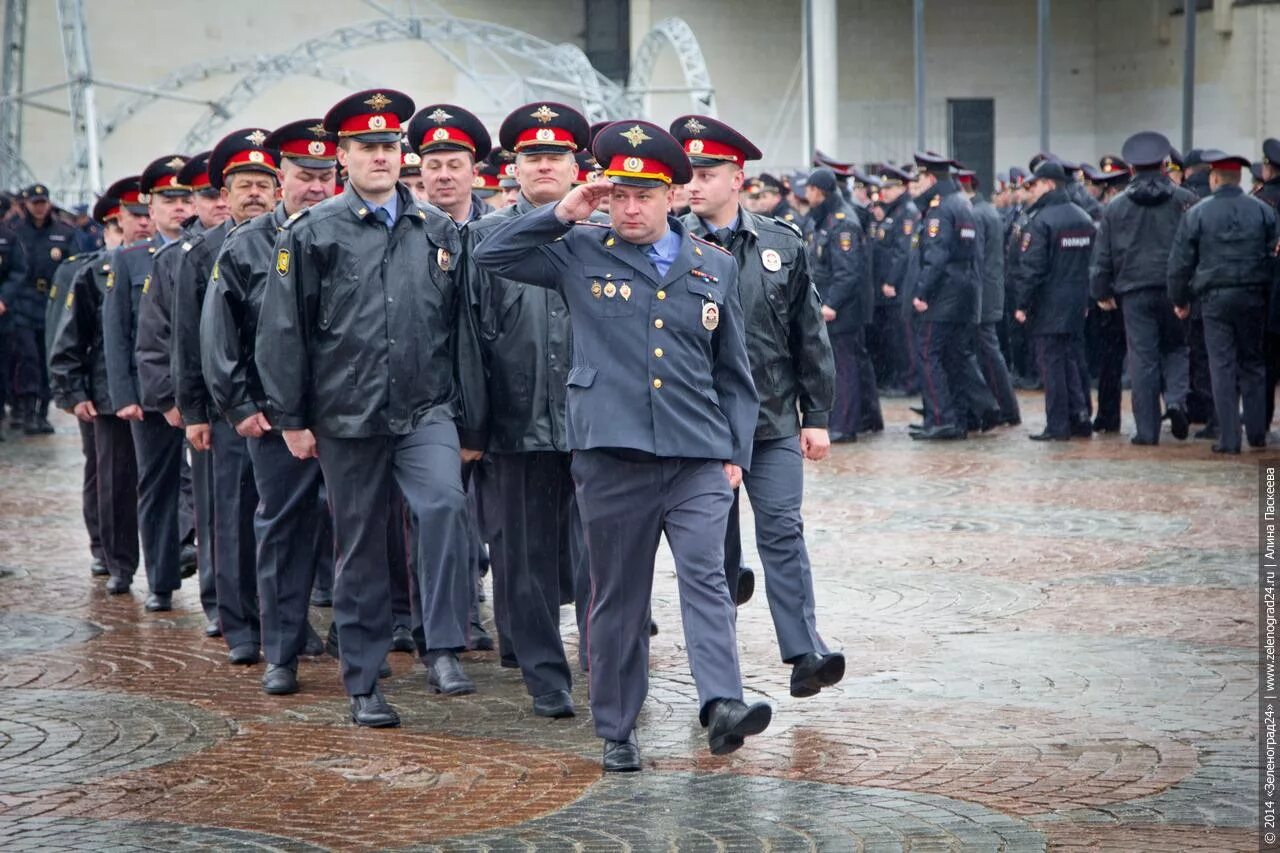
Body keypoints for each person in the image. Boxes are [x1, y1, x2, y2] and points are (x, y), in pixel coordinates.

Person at [472, 119, 770, 772]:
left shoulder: (713, 265)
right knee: (618, 598)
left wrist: (734, 455)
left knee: (707, 580)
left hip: (696, 456)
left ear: (672, 196)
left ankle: (722, 702)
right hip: (612, 457)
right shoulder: (579, 249)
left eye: (644, 195)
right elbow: (488, 256)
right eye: (619, 194)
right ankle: (616, 725)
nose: (630, 208)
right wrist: (565, 209)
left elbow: (735, 372)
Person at [256, 89, 469, 728]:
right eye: (367, 147)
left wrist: (467, 413)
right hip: (347, 415)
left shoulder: (435, 228)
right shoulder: (313, 232)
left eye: (389, 145)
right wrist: (291, 419)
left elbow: (458, 326)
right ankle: (363, 679)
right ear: (344, 156)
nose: (381, 156)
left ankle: (446, 644)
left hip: (424, 408)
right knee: (361, 547)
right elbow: (283, 331)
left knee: (444, 505)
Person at [673, 114, 845, 698]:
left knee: (782, 531)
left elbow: (808, 337)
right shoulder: (669, 244)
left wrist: (817, 417)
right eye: (688, 174)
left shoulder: (780, 243)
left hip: (771, 422)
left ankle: (805, 651)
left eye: (706, 172)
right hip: (701, 428)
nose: (694, 184)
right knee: (713, 552)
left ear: (737, 179)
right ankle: (720, 683)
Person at [455, 101, 593, 718]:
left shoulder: (605, 233)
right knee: (524, 556)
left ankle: (608, 655)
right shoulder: (485, 239)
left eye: (555, 157)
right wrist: (475, 424)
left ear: (575, 166)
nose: (544, 167)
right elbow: (467, 337)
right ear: (514, 167)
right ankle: (545, 675)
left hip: (596, 423)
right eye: (532, 157)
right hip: (516, 420)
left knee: (602, 553)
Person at [202, 117, 339, 694]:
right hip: (276, 418)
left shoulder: (348, 230)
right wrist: (238, 406)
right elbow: (219, 332)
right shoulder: (247, 242)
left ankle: (360, 644)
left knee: (352, 530)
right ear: (282, 178)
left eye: (323, 175)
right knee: (280, 530)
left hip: (347, 412)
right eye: (303, 175)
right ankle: (280, 651)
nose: (314, 186)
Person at [102, 156, 193, 611]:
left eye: (184, 199)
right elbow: (116, 332)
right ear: (150, 208)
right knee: (156, 486)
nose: (178, 208)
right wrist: (124, 396)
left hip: (200, 393)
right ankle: (161, 580)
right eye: (167, 200)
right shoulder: (131, 259)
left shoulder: (205, 249)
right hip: (149, 395)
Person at [1168, 150, 1280, 454]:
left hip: (1214, 299)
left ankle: (1229, 438)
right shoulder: (1263, 211)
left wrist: (1180, 299)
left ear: (1215, 178)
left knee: (1222, 365)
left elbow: (1180, 262)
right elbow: (1275, 255)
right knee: (1253, 363)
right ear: (1240, 178)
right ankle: (1257, 433)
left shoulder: (1198, 213)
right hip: (1254, 296)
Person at [1090, 131, 1197, 446]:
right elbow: (1195, 247)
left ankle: (1147, 431)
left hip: (1133, 291)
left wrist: (1101, 292)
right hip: (1174, 287)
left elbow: (1103, 256)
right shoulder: (1186, 200)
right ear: (1164, 166)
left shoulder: (1115, 207)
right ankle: (1176, 400)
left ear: (1132, 169)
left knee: (1142, 358)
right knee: (1177, 348)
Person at [1014, 160, 1096, 441]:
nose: (1032, 190)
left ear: (1049, 184)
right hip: (1076, 302)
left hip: (1048, 305)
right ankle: (1081, 416)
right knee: (1071, 361)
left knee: (1052, 367)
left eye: (1035, 184)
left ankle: (1058, 425)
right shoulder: (1082, 218)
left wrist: (1023, 304)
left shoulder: (1042, 220)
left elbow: (1033, 269)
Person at [908, 151, 983, 440]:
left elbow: (937, 256)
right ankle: (958, 417)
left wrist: (922, 292)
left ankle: (941, 418)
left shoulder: (940, 209)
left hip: (943, 294)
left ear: (929, 178)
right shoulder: (962, 203)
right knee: (953, 357)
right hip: (963, 290)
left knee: (929, 354)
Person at [804, 167, 875, 442]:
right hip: (830, 305)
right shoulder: (824, 218)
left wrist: (831, 303)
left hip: (842, 310)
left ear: (818, 191)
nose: (806, 195)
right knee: (842, 364)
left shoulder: (842, 222)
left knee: (843, 366)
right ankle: (854, 418)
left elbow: (848, 271)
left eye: (809, 189)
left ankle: (845, 424)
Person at [6, 183, 76, 434]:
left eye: (43, 203)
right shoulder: (15, 232)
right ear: (26, 205)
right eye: (34, 203)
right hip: (23, 302)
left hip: (51, 301)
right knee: (27, 358)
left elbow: (73, 266)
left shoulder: (64, 233)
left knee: (47, 359)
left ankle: (42, 411)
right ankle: (25, 409)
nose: (39, 208)